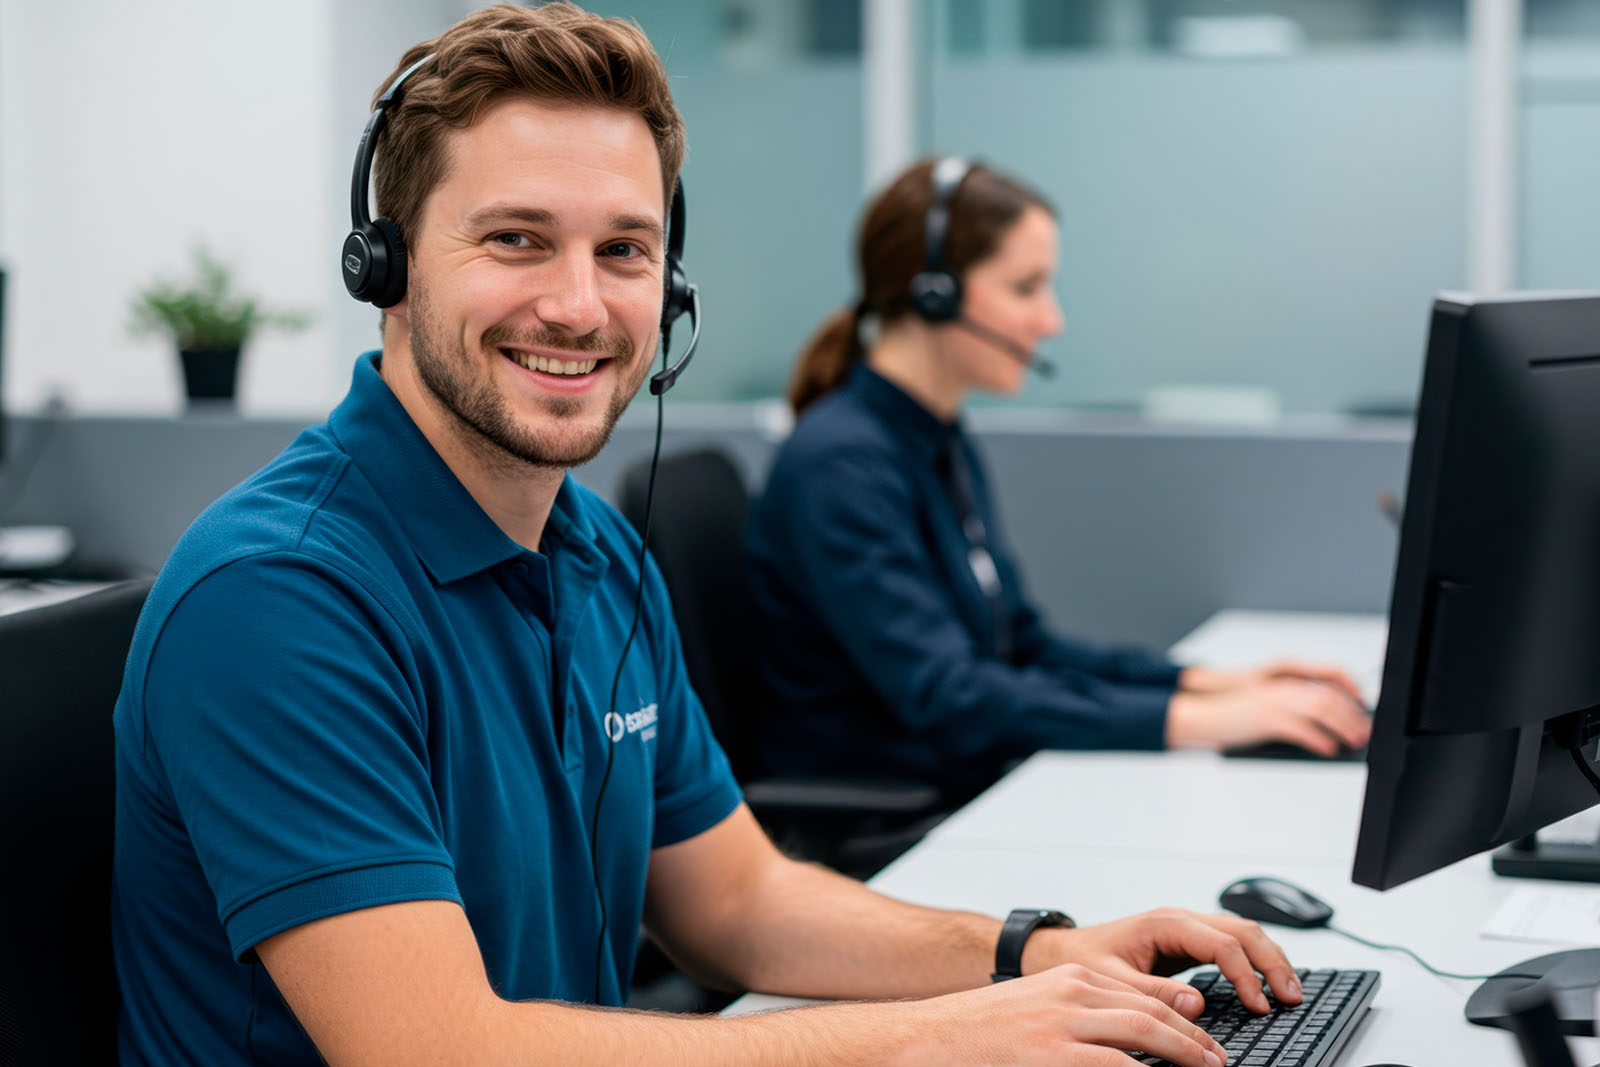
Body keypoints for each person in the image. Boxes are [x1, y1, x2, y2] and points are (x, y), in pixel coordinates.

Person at [113, 7, 1301, 1064]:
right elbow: (438, 1045)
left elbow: (735, 897)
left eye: (623, 249)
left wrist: (1033, 951)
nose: (580, 305)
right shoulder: (280, 595)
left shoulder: (594, 555)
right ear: (387, 267)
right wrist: (941, 1037)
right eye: (516, 238)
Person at [745, 158, 1372, 800]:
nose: (1052, 321)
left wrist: (1212, 684)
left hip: (969, 788)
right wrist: (1206, 723)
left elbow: (1023, 643)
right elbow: (949, 696)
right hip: (892, 822)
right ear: (935, 293)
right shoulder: (842, 466)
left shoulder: (935, 439)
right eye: (1026, 288)